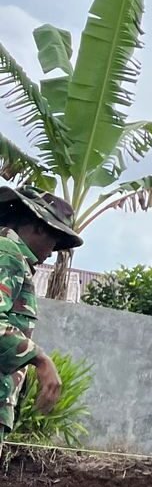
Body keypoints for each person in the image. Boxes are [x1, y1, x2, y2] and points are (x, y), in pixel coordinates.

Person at [0, 186, 79, 450]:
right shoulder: (7, 252)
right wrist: (40, 359)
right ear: (37, 227)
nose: (54, 250)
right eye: (54, 239)